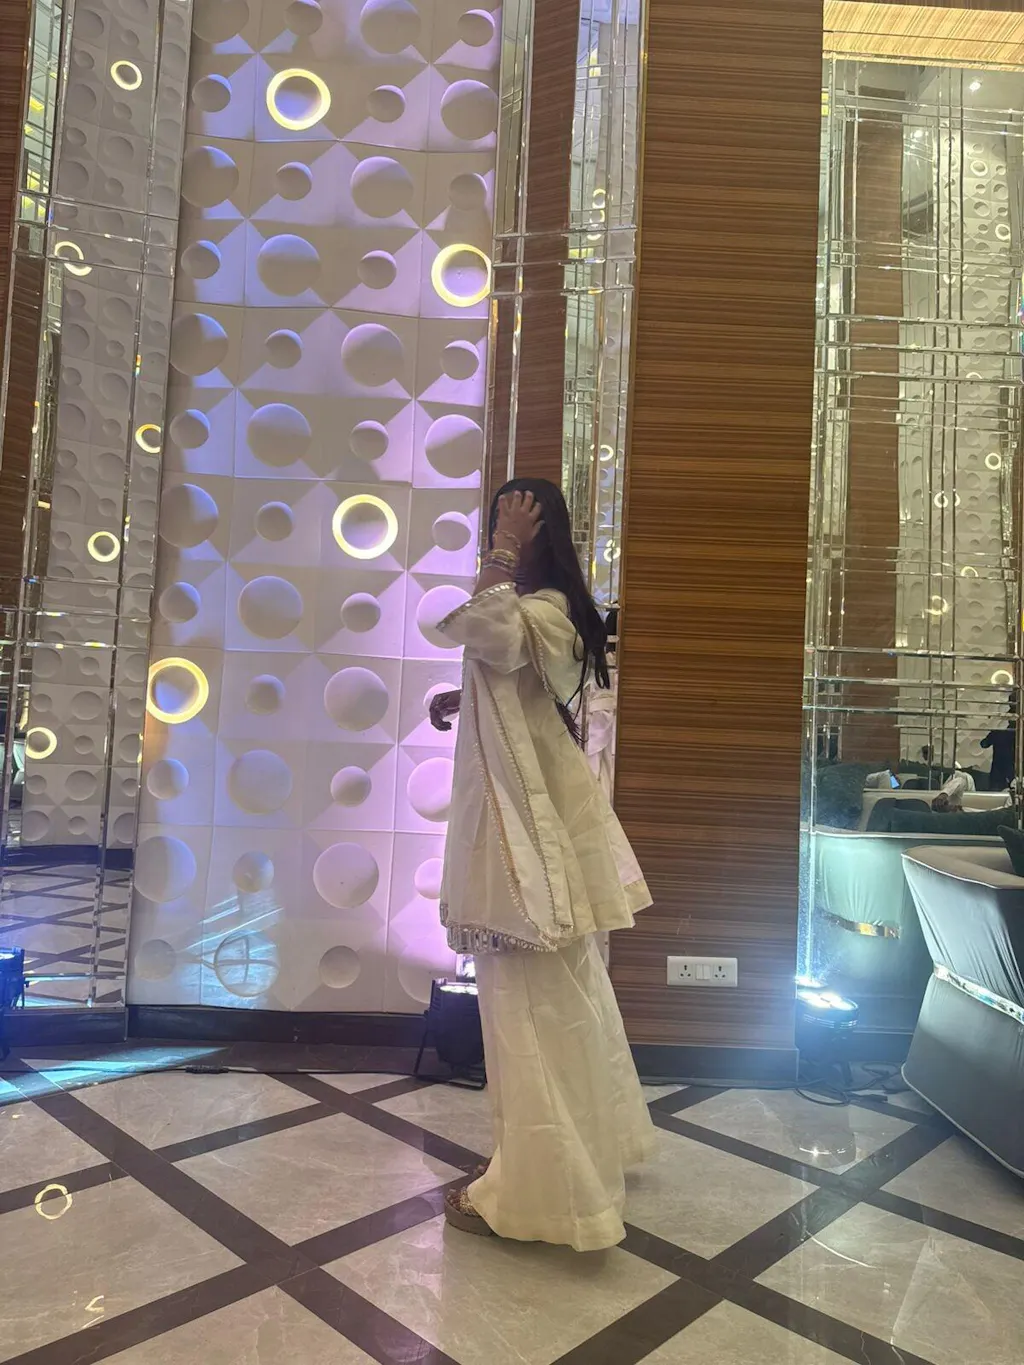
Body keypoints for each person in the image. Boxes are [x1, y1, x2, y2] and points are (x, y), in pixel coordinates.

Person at [428, 478, 655, 1252]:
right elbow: (500, 664)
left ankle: (543, 1198)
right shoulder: (536, 614)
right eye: (495, 521)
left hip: (526, 847)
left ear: (538, 533)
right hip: (529, 833)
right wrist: (460, 699)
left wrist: (501, 551)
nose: (499, 536)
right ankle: (586, 1160)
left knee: (528, 1014)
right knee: (561, 1002)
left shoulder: (547, 610)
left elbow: (471, 625)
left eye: (513, 522)